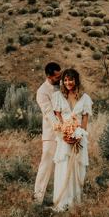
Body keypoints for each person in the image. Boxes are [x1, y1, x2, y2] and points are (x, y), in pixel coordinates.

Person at [52, 67, 92, 211]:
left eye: (71, 79)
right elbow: (59, 117)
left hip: (79, 138)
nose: (68, 82)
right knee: (63, 167)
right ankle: (62, 202)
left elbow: (85, 122)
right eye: (66, 80)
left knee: (77, 168)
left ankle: (75, 202)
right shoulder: (58, 97)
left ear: (76, 80)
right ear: (63, 81)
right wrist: (65, 134)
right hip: (64, 139)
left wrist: (79, 135)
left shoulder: (85, 98)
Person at [33, 61, 61, 204]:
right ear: (49, 76)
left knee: (62, 167)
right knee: (46, 166)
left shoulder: (61, 86)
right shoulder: (42, 91)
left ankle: (60, 198)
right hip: (51, 135)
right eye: (56, 77)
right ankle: (38, 199)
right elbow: (49, 113)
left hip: (65, 134)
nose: (59, 79)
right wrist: (62, 129)